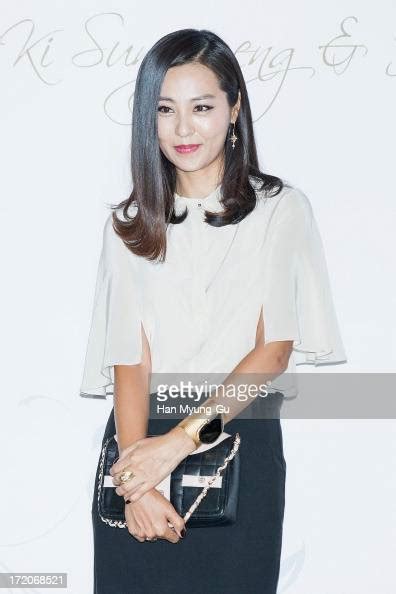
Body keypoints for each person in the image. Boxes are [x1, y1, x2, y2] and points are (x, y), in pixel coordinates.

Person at [79, 28, 347, 594]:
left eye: (201, 107)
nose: (183, 128)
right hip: (138, 444)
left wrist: (176, 445)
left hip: (235, 439)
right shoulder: (128, 225)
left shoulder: (280, 210)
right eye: (165, 109)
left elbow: (273, 350)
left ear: (234, 109)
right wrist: (136, 479)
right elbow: (130, 360)